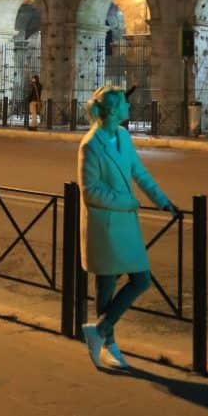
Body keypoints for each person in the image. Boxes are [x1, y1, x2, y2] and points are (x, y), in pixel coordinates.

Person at [78, 86, 177, 371]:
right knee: (106, 286)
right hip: (105, 224)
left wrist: (162, 200)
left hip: (123, 222)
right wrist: (128, 201)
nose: (130, 108)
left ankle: (100, 330)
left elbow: (139, 171)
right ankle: (109, 343)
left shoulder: (122, 136)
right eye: (125, 104)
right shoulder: (91, 145)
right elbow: (90, 192)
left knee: (141, 278)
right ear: (112, 111)